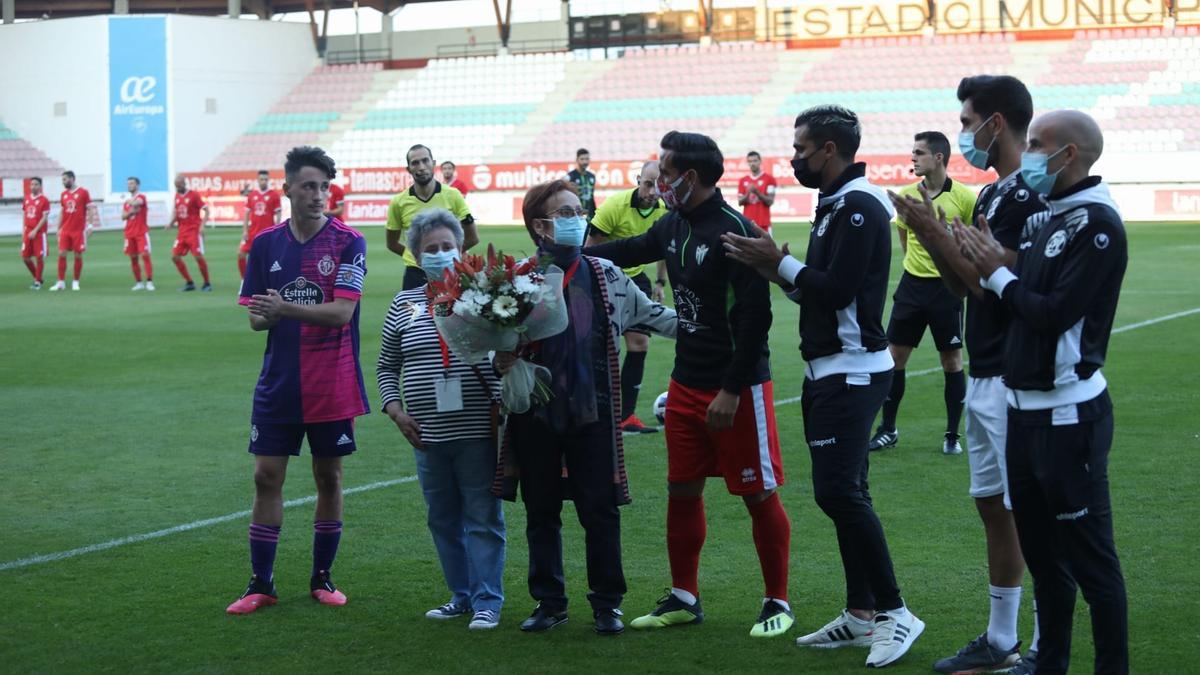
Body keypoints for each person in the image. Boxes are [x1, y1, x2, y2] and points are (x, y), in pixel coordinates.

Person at [722, 106, 924, 667]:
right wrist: (775, 268)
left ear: (830, 149)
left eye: (801, 149)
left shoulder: (858, 207)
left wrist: (778, 265)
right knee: (845, 493)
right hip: (831, 371)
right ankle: (861, 614)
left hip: (853, 369)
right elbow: (822, 291)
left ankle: (894, 611)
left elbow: (835, 291)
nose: (795, 159)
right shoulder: (836, 203)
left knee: (839, 494)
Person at [584, 131, 793, 640]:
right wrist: (568, 253)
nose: (661, 182)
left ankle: (777, 601)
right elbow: (631, 247)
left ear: (689, 179)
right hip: (684, 383)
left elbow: (754, 320)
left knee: (758, 494)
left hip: (736, 389)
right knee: (682, 489)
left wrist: (730, 389)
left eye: (666, 173)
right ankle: (684, 596)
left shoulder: (735, 234)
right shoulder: (675, 223)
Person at [958, 109, 1128, 675]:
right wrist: (990, 265)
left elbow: (1054, 313)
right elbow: (1017, 299)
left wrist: (998, 273)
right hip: (1022, 411)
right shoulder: (1052, 215)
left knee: (1092, 565)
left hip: (1068, 415)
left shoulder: (1097, 224)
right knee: (1045, 559)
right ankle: (1048, 662)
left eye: (1036, 144)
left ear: (1068, 155)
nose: (1025, 153)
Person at [890, 74, 1046, 675]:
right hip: (984, 373)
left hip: (1012, 375)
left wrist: (933, 233)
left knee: (1024, 509)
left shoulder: (1026, 196)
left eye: (965, 121)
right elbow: (966, 287)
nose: (963, 134)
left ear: (995, 123)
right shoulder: (989, 196)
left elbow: (1000, 287)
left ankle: (1038, 644)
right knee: (992, 505)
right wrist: (942, 241)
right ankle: (1000, 637)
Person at [494, 179, 677, 637]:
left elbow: (657, 318)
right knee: (541, 510)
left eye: (579, 210)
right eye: (566, 213)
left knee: (600, 510)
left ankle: (607, 603)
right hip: (534, 414)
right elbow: (483, 341)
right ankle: (549, 601)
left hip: (592, 412)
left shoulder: (607, 275)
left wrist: (716, 325)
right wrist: (499, 356)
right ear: (539, 226)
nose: (579, 219)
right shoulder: (514, 279)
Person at [226, 145, 369, 615]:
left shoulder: (349, 242)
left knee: (328, 477)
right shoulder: (266, 244)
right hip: (280, 382)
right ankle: (260, 583)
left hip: (332, 381)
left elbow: (342, 313)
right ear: (287, 189)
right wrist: (271, 313)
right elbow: (255, 320)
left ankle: (322, 577)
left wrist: (283, 308)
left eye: (324, 187)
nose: (319, 195)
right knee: (266, 477)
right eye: (309, 186)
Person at [377, 208, 507, 631]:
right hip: (425, 435)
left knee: (482, 516)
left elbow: (510, 353)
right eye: (430, 249)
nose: (439, 254)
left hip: (476, 431)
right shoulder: (403, 303)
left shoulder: (483, 295)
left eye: (447, 247)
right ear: (415, 255)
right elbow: (385, 366)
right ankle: (462, 595)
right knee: (442, 518)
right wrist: (395, 412)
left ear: (461, 248)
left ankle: (489, 599)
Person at [869, 131, 977, 455]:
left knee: (951, 361)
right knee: (894, 359)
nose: (912, 158)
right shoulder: (905, 195)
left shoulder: (965, 198)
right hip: (913, 285)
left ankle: (952, 435)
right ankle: (888, 429)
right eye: (912, 152)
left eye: (919, 153)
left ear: (939, 157)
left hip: (948, 289)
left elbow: (970, 241)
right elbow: (905, 240)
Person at [585, 160, 670, 434]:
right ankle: (593, 413)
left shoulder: (664, 210)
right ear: (637, 180)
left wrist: (659, 282)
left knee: (639, 345)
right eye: (647, 183)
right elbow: (589, 249)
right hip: (605, 277)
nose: (652, 190)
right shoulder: (614, 206)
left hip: (636, 279)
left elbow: (665, 248)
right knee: (600, 347)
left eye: (658, 185)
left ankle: (626, 417)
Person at [385, 144, 478, 291]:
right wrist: (417, 257)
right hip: (414, 274)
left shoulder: (453, 195)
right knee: (413, 314)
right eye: (415, 163)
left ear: (433, 164)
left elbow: (473, 237)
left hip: (450, 271)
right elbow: (392, 243)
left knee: (454, 313)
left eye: (425, 161)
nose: (421, 167)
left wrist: (448, 253)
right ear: (409, 169)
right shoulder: (398, 202)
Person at [167, 174, 212, 292]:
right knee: (175, 257)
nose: (177, 188)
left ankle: (207, 283)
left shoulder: (194, 195)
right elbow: (177, 212)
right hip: (182, 232)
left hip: (194, 231)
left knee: (198, 256)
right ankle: (189, 282)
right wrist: (171, 223)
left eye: (179, 185)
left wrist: (202, 226)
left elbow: (206, 210)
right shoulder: (176, 196)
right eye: (175, 186)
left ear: (184, 183)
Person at [49, 170, 91, 292]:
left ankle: (75, 282)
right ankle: (61, 282)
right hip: (66, 230)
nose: (64, 182)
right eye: (63, 180)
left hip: (78, 230)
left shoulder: (83, 192)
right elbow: (63, 211)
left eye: (65, 179)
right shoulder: (64, 195)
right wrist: (58, 228)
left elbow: (90, 208)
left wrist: (91, 226)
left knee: (78, 255)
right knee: (62, 253)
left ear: (72, 179)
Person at [239, 170, 282, 279]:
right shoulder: (252, 195)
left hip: (267, 233)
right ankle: (244, 280)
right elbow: (247, 214)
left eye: (265, 179)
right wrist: (245, 230)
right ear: (257, 180)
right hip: (252, 232)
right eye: (261, 179)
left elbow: (278, 212)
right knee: (241, 254)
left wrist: (277, 228)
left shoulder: (274, 195)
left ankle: (266, 281)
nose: (264, 181)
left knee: (266, 259)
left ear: (268, 180)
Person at [121, 177, 155, 291]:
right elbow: (123, 216)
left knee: (145, 256)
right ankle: (139, 282)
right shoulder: (127, 202)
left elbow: (137, 203)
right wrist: (132, 211)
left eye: (132, 183)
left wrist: (129, 203)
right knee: (133, 258)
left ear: (137, 185)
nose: (129, 185)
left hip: (141, 232)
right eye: (128, 184)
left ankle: (149, 282)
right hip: (129, 233)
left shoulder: (141, 197)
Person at [21, 177, 51, 290]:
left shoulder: (44, 200)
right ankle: (38, 277)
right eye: (32, 184)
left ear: (40, 186)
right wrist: (23, 229)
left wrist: (35, 230)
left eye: (36, 184)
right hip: (28, 231)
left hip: (39, 233)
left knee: (39, 257)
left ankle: (37, 282)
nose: (33, 186)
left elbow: (45, 217)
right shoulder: (27, 198)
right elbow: (25, 214)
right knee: (25, 257)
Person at [737, 151, 777, 235]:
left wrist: (757, 192)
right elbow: (740, 202)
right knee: (747, 248)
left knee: (766, 248)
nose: (752, 164)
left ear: (760, 161)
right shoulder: (743, 180)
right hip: (748, 223)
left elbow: (770, 201)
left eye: (755, 161)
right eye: (750, 161)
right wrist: (748, 193)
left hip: (764, 224)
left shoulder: (769, 179)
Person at [566, 148, 597, 221]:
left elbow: (591, 197)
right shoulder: (570, 176)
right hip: (575, 215)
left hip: (589, 215)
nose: (585, 162)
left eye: (587, 159)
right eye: (582, 159)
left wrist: (594, 213)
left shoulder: (591, 176)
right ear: (577, 160)